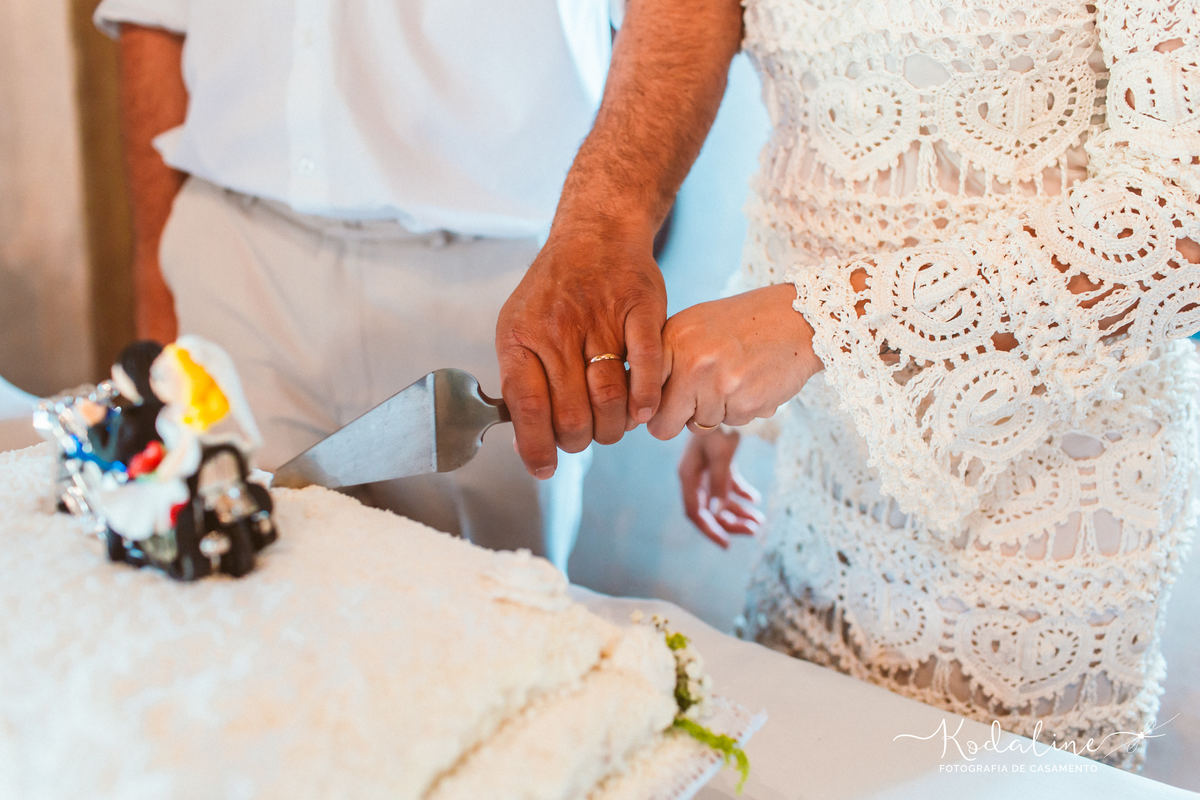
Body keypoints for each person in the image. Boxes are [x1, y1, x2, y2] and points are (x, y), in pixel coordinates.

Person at [513, 0, 1200, 767]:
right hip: (830, 468)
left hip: (1040, 490)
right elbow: (821, 143)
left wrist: (816, 322)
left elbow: (1183, 222)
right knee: (801, 758)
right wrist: (750, 367)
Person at [93, 1, 622, 569]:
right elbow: (153, 12)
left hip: (490, 282)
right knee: (228, 587)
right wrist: (157, 284)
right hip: (239, 264)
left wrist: (606, 237)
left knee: (482, 601)